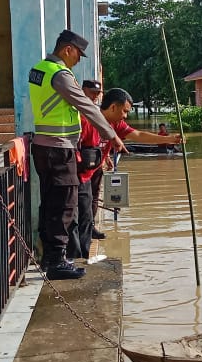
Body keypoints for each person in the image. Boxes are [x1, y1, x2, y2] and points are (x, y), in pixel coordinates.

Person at [29, 31, 125, 279]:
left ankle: (50, 255)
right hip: (59, 149)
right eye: (78, 55)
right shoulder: (60, 75)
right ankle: (57, 261)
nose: (79, 60)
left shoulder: (39, 69)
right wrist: (111, 135)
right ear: (67, 49)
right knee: (64, 204)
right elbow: (86, 106)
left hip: (43, 146)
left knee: (51, 202)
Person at [68, 88, 182, 258]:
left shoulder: (116, 124)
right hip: (77, 175)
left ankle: (82, 255)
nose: (126, 116)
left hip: (92, 172)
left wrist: (169, 139)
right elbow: (73, 148)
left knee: (86, 214)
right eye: (125, 111)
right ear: (113, 107)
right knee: (78, 215)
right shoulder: (86, 121)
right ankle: (76, 257)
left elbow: (138, 134)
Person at [80, 80, 108, 241]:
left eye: (98, 94)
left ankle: (90, 227)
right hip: (83, 158)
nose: (95, 97)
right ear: (83, 90)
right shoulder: (78, 110)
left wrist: (106, 156)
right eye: (92, 93)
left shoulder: (96, 111)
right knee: (84, 197)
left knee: (94, 195)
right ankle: (83, 231)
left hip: (96, 157)